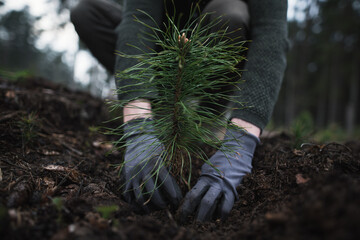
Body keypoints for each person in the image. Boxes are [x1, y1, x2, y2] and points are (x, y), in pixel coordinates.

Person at [70, 0, 288, 222]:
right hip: (161, 43)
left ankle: (207, 119)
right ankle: (157, 109)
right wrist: (138, 126)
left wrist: (240, 143)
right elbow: (139, 20)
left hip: (210, 43)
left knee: (230, 15)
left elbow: (271, 33)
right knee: (87, 12)